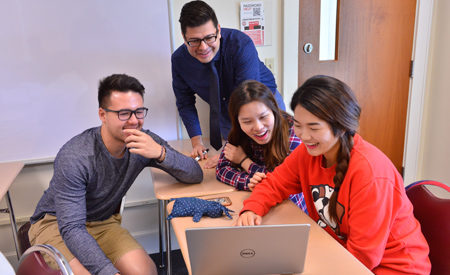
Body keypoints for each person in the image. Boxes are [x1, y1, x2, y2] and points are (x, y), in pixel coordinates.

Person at [234, 75, 431, 274]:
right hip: (340, 253)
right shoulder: (308, 152)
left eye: (314, 127)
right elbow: (274, 183)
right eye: (298, 125)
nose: (303, 135)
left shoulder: (371, 174)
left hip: (393, 267)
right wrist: (252, 209)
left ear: (342, 126)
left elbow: (362, 258)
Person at [28, 74, 203, 275]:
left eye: (139, 112)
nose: (134, 121)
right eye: (123, 113)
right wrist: (107, 272)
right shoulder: (76, 156)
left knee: (146, 271)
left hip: (103, 222)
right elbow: (72, 229)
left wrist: (160, 153)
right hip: (57, 224)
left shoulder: (144, 140)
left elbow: (195, 174)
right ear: (103, 115)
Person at [172, 0, 285, 168]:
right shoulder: (179, 60)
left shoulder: (240, 44)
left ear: (218, 30)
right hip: (226, 114)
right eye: (194, 41)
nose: (203, 47)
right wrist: (197, 143)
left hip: (262, 109)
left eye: (209, 37)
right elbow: (184, 103)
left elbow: (248, 102)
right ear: (184, 37)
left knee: (276, 162)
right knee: (238, 170)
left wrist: (231, 154)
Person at [216, 80, 307, 212]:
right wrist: (250, 182)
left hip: (293, 210)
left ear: (274, 110)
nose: (258, 127)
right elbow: (222, 169)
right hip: (258, 204)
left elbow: (283, 182)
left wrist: (244, 162)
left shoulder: (294, 132)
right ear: (238, 122)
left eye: (263, 117)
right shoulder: (239, 133)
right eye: (247, 121)